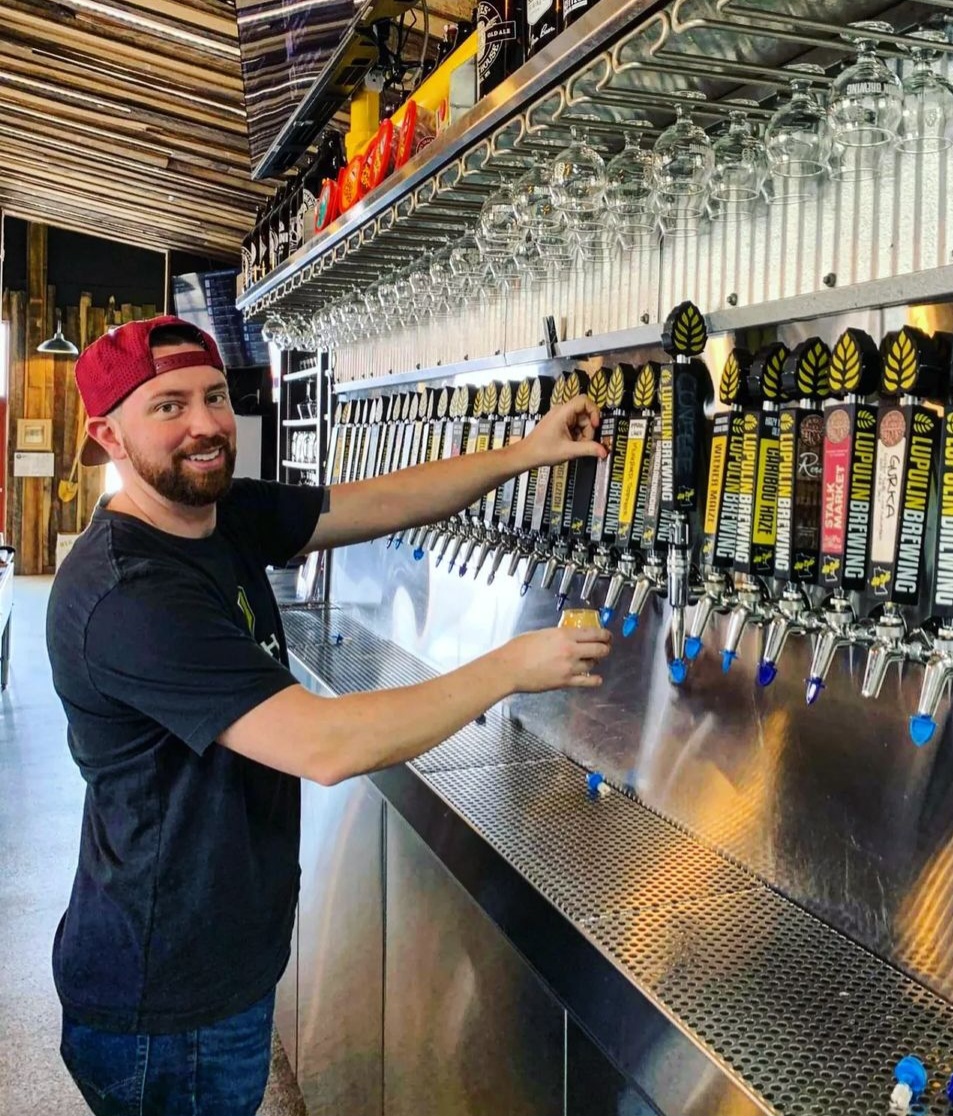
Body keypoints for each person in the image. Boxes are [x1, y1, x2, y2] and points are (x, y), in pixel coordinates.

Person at [45, 316, 612, 1116]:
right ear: (108, 434)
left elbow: (375, 501)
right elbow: (324, 744)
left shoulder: (218, 513)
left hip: (216, 959)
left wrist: (527, 451)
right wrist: (511, 667)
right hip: (167, 1003)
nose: (206, 424)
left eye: (213, 396)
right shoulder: (130, 594)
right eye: (167, 406)